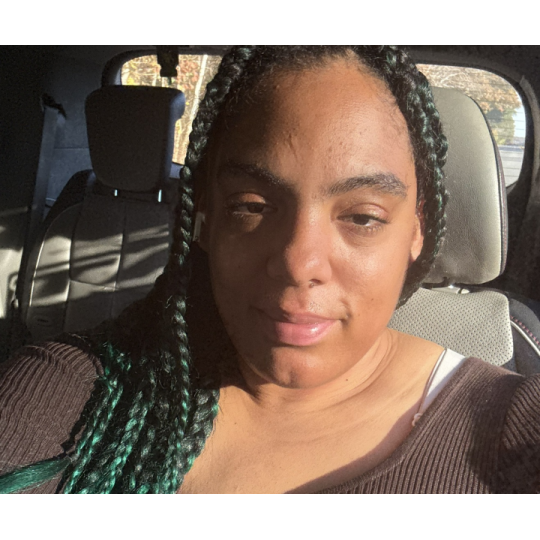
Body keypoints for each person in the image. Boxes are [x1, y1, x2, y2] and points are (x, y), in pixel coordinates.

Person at [0, 46, 539, 494]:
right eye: (252, 207)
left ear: (417, 230)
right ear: (206, 219)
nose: (298, 264)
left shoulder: (515, 431)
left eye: (362, 217)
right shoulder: (69, 395)